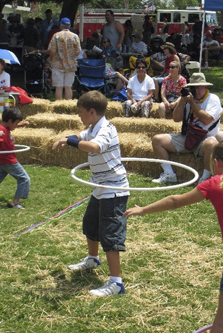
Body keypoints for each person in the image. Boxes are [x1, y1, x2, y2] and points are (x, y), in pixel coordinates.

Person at [124, 141, 223, 333]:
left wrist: (143, 209)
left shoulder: (213, 184)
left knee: (219, 323)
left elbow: (174, 201)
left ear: (217, 163)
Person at [52, 90, 130, 297]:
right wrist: (66, 138)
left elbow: (95, 147)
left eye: (80, 112)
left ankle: (116, 283)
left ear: (92, 111)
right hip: (100, 187)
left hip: (114, 190)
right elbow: (82, 136)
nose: (79, 116)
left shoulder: (106, 129)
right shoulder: (93, 126)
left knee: (110, 235)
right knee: (91, 224)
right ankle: (92, 259)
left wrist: (70, 142)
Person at [152, 72, 221, 184]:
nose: (196, 90)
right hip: (188, 136)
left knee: (212, 144)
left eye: (199, 87)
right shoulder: (188, 99)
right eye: (193, 87)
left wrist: (192, 102)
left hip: (204, 139)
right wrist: (182, 100)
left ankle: (204, 179)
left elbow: (207, 119)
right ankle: (169, 174)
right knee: (157, 140)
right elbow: (176, 118)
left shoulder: (212, 99)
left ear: (205, 87)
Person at [48, 17, 81, 100]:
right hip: (71, 65)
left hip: (57, 64)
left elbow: (52, 51)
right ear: (69, 26)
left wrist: (50, 59)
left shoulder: (56, 35)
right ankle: (68, 107)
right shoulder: (75, 36)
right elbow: (78, 51)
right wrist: (71, 57)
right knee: (68, 86)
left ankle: (59, 107)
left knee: (59, 87)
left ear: (61, 25)